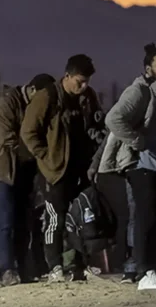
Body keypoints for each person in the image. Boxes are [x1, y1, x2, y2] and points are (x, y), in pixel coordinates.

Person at [104, 44, 156, 292]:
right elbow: (113, 118)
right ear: (148, 69)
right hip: (144, 166)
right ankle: (144, 271)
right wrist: (138, 141)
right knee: (146, 218)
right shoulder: (139, 90)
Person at [21, 54, 103, 283]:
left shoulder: (88, 97)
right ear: (67, 76)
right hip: (55, 169)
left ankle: (79, 264)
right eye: (79, 81)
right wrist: (45, 156)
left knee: (81, 217)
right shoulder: (47, 96)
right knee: (55, 218)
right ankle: (55, 265)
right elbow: (28, 131)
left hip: (81, 167)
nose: (83, 86)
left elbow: (96, 123)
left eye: (87, 82)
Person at [0, 73, 56, 286]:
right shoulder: (5, 102)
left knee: (23, 220)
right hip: (1, 168)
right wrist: (37, 150)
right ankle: (7, 269)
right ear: (32, 90)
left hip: (22, 169)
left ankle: (22, 267)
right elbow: (5, 137)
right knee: (5, 221)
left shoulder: (33, 105)